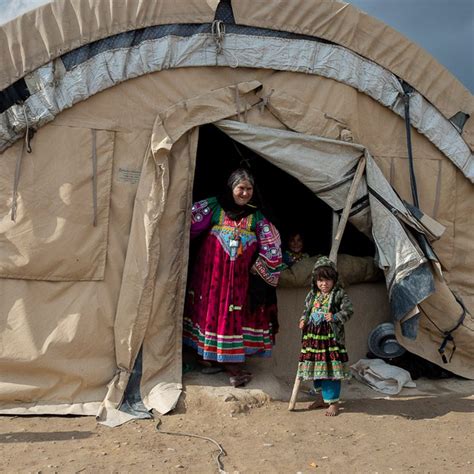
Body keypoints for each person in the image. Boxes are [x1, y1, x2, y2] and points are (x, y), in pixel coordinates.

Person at [183, 169, 282, 387]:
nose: (245, 193)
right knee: (211, 311)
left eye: (249, 189)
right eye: (241, 188)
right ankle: (208, 355)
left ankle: (232, 362)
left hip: (239, 282)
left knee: (233, 315)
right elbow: (184, 226)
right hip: (211, 278)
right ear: (231, 188)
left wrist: (258, 271)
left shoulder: (257, 217)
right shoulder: (215, 207)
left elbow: (272, 249)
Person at [297, 256, 353, 416]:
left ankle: (333, 403)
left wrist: (335, 317)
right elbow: (306, 311)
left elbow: (349, 311)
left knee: (331, 371)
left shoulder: (339, 295)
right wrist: (303, 319)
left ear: (334, 280)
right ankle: (321, 399)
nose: (324, 284)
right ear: (315, 281)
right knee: (317, 369)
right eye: (320, 280)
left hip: (331, 341)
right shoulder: (312, 295)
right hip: (314, 341)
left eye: (328, 280)